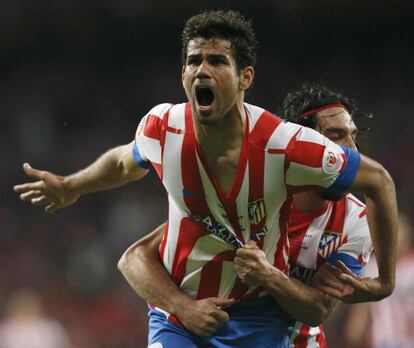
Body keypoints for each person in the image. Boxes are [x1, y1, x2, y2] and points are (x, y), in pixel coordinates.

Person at [14, 10, 397, 348]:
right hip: (179, 316)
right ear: (183, 74)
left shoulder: (285, 147)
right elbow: (121, 164)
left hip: (259, 317)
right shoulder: (163, 128)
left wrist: (385, 283)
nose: (202, 70)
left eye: (217, 61)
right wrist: (71, 186)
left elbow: (377, 178)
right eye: (194, 60)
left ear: (245, 76)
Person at [118, 83, 374, 348]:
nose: (351, 150)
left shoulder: (356, 221)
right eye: (336, 137)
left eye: (352, 136)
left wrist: (268, 275)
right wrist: (183, 307)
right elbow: (134, 258)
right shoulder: (253, 193)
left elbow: (319, 311)